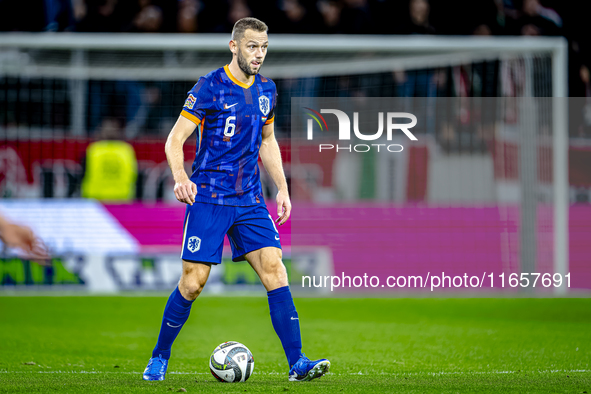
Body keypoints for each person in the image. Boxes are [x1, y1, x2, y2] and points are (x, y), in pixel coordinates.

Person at [142, 17, 330, 382]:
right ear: (234, 46)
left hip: (249, 200)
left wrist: (283, 187)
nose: (258, 55)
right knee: (193, 282)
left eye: (263, 47)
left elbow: (268, 140)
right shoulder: (209, 87)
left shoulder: (268, 90)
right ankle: (159, 356)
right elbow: (174, 140)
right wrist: (181, 178)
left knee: (276, 270)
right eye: (251, 46)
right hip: (209, 197)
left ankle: (298, 363)